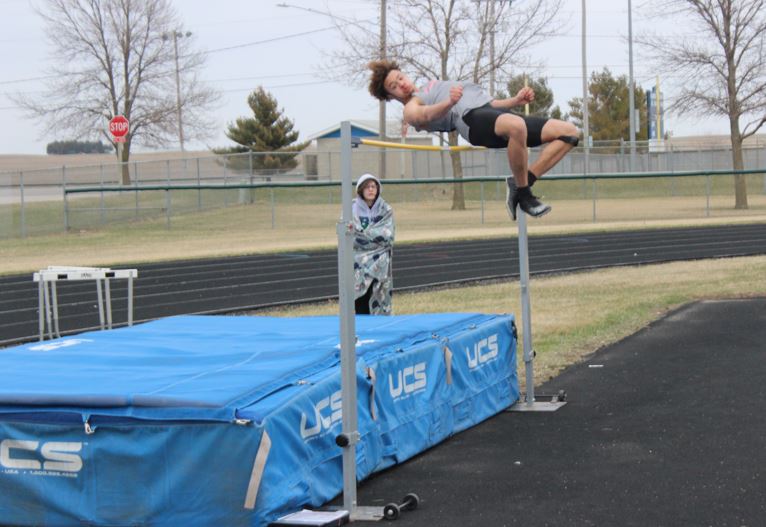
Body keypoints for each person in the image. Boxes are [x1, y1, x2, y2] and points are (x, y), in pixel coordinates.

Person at [367, 59, 580, 220]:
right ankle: (524, 196)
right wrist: (449, 103)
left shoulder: (432, 85)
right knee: (516, 126)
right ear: (390, 96)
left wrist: (515, 100)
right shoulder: (411, 107)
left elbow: (487, 104)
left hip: (488, 113)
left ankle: (522, 182)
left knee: (570, 132)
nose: (401, 85)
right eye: (394, 86)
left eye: (400, 78)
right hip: (470, 121)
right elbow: (425, 116)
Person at [353, 173, 394, 315]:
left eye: (373, 186)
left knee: (377, 297)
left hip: (380, 265)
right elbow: (351, 237)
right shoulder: (351, 209)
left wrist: (363, 234)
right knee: (360, 300)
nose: (371, 190)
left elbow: (388, 236)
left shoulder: (385, 209)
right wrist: (374, 237)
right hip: (357, 266)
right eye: (367, 187)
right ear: (361, 190)